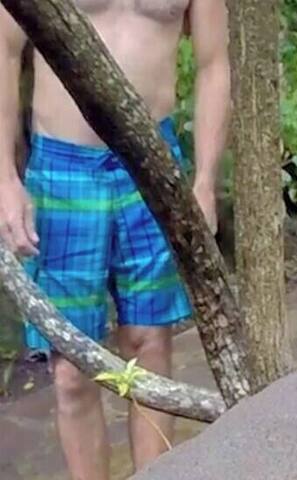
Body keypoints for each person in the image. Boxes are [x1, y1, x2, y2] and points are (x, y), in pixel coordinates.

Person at [0, 0, 228, 478]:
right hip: (62, 169)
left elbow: (213, 64)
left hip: (152, 161)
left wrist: (205, 180)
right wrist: (5, 179)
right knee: (71, 369)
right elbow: (3, 50)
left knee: (150, 347)